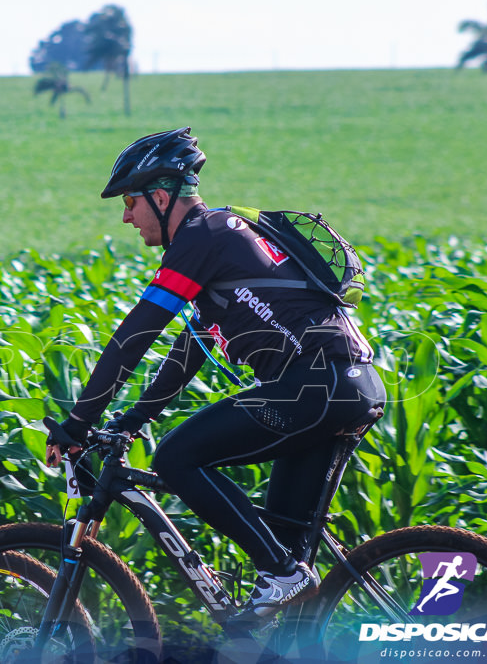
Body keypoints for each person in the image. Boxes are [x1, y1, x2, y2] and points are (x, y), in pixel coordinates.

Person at [46, 128, 386, 622]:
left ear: (160, 197)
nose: (125, 217)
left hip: (313, 389)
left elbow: (135, 334)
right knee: (286, 552)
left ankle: (282, 572)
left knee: (178, 457)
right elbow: (194, 346)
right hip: (351, 387)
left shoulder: (200, 238)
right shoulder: (228, 235)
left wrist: (77, 423)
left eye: (129, 203)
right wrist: (132, 417)